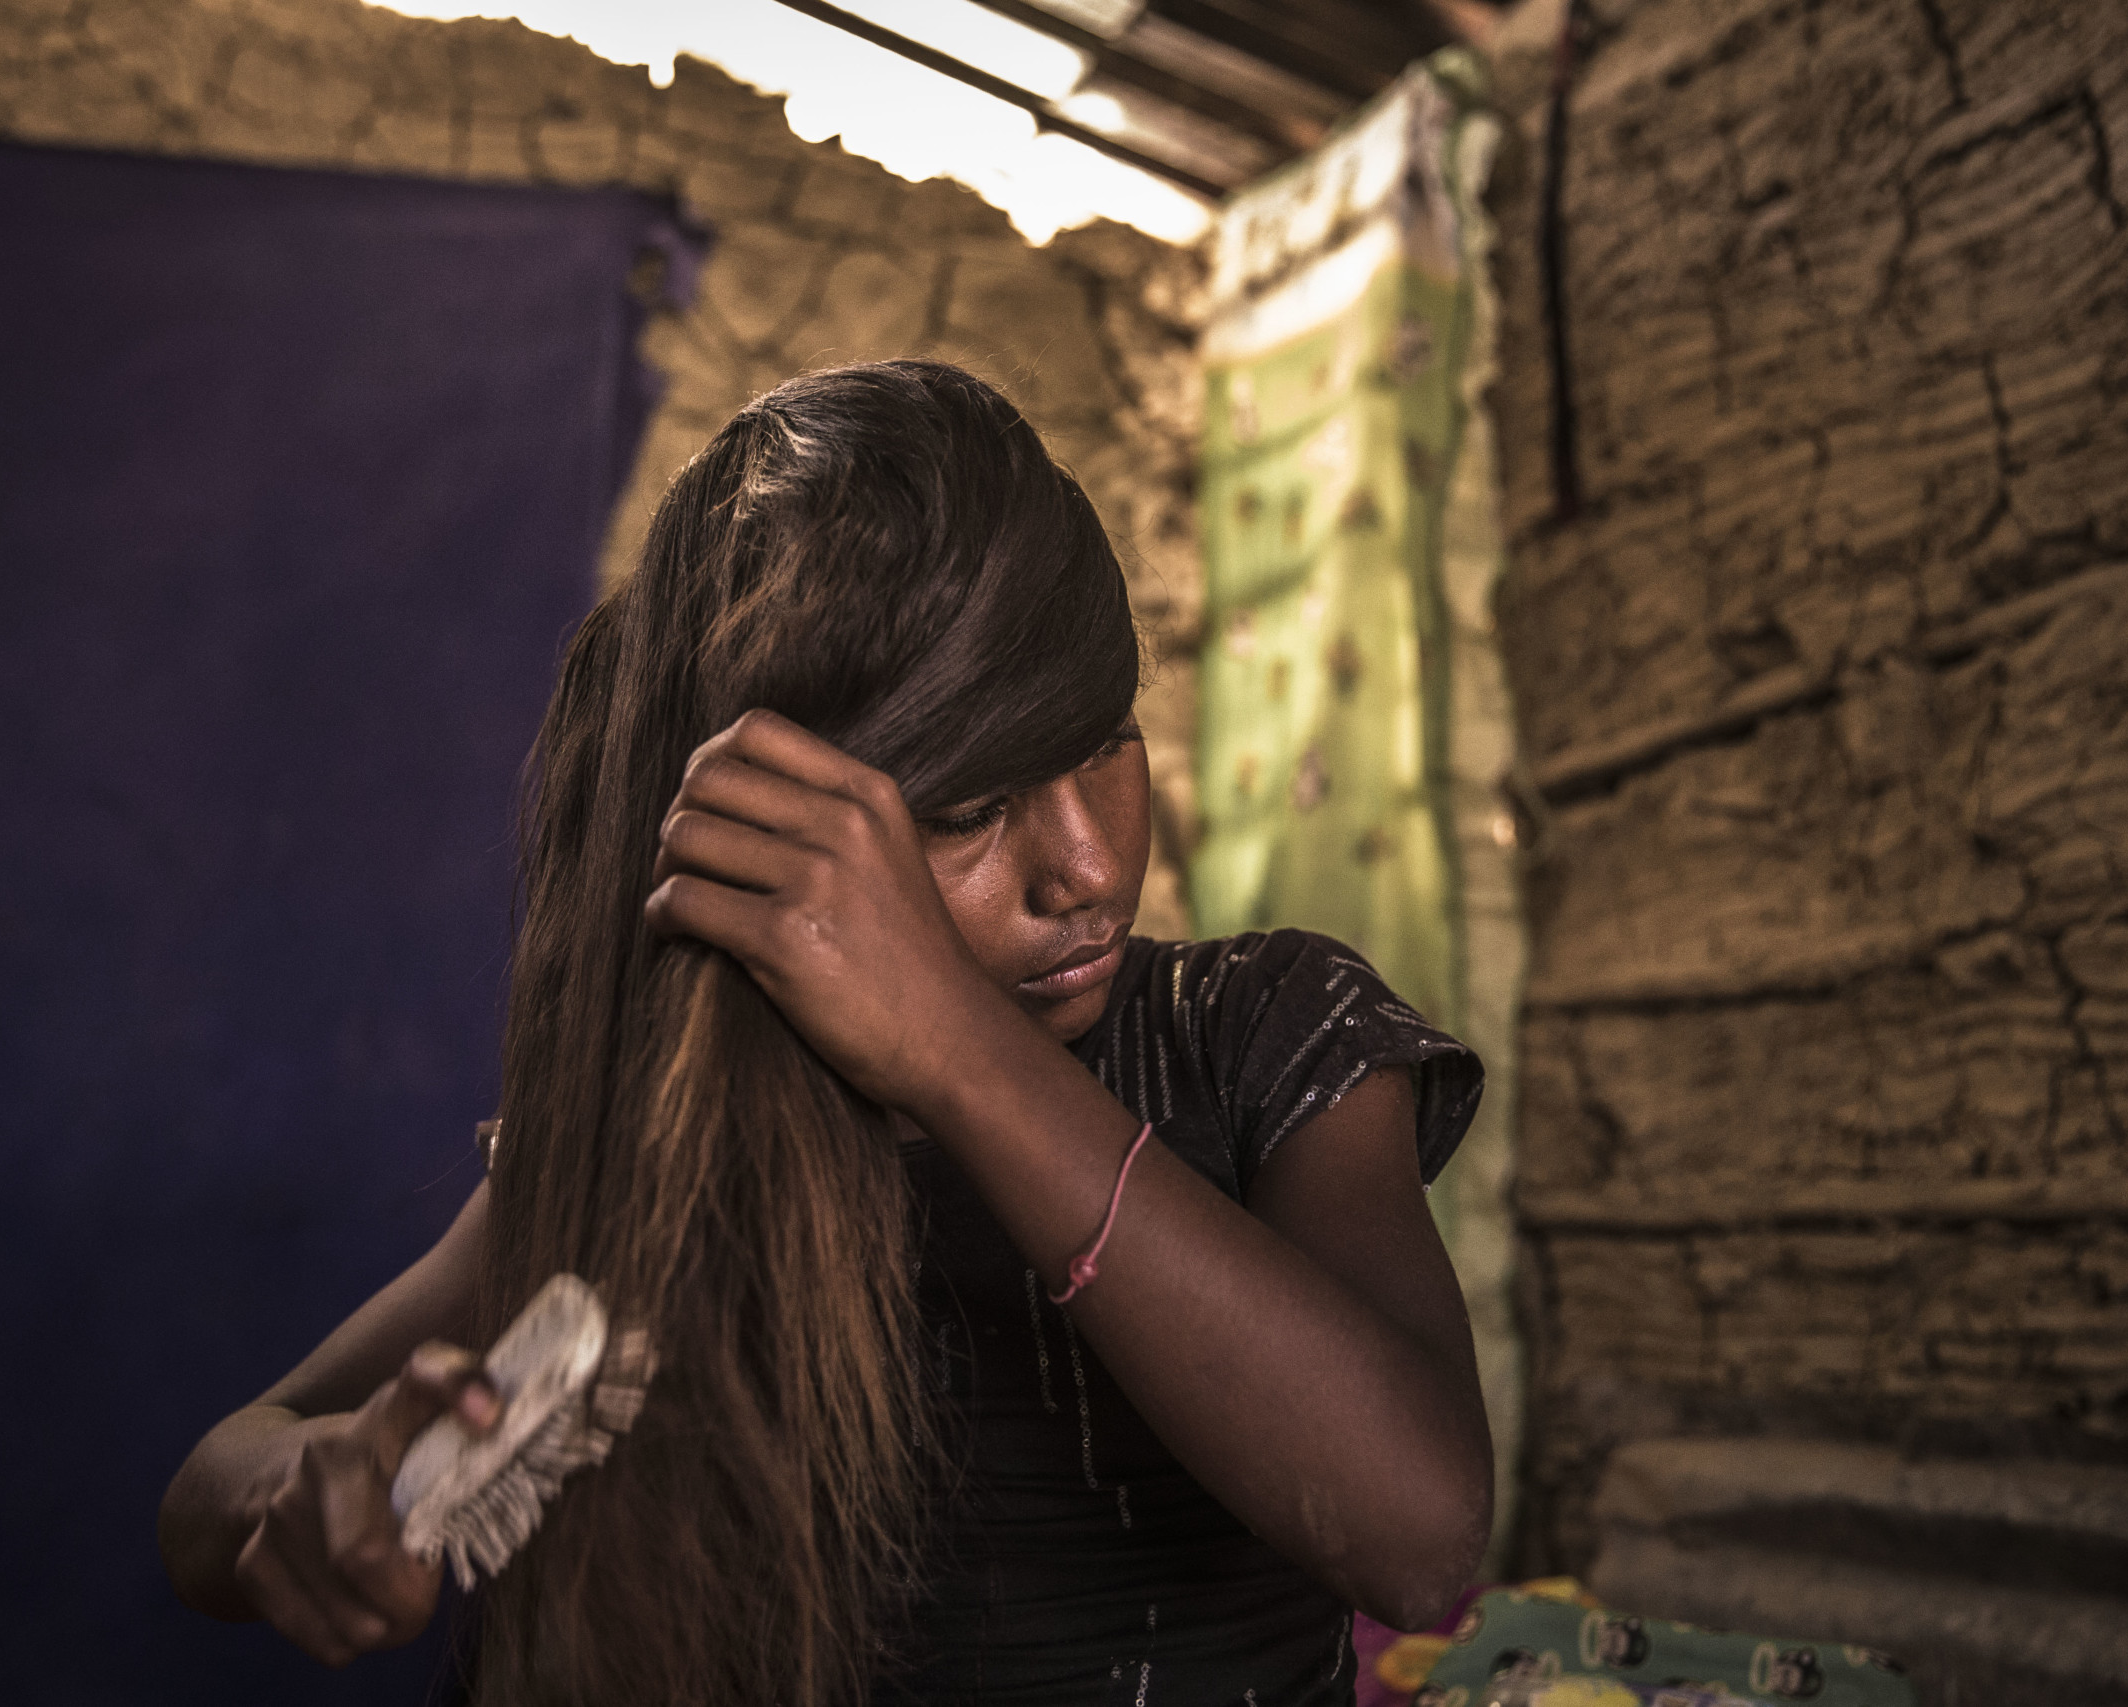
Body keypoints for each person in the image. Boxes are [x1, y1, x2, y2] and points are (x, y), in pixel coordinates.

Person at [158, 360, 1492, 1706]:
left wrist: (957, 1050)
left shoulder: (1263, 1038)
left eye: (1107, 740)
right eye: (968, 812)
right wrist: (312, 1489)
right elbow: (213, 1491)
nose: (1087, 866)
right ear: (770, 834)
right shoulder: (650, 1154)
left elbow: (1423, 1538)